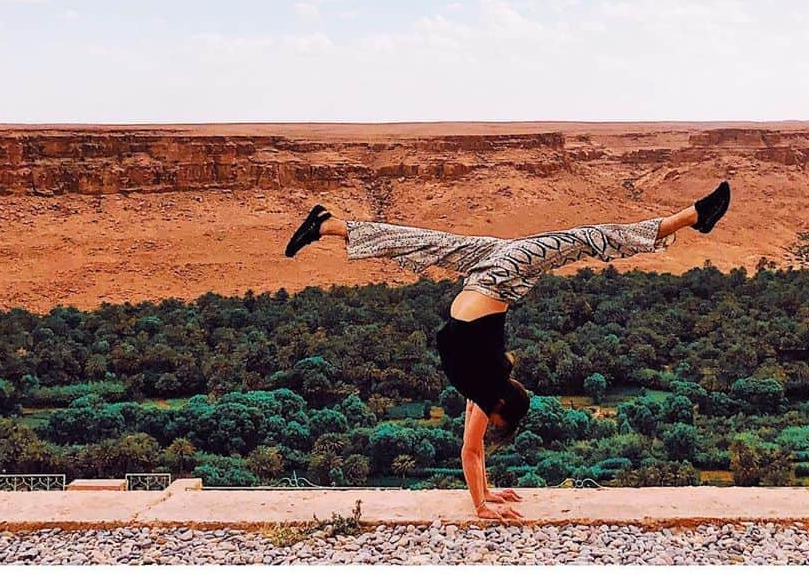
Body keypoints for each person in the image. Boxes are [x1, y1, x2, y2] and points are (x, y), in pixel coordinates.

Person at [283, 180, 731, 520]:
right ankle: (692, 217)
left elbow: (470, 450)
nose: (486, 426)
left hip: (493, 272)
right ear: (501, 407)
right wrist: (482, 500)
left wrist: (484, 497)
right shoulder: (486, 382)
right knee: (586, 239)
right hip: (500, 274)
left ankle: (328, 224)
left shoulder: (487, 379)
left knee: (425, 241)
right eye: (497, 422)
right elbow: (472, 450)